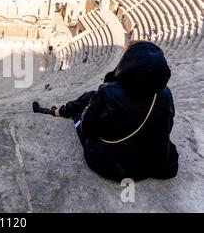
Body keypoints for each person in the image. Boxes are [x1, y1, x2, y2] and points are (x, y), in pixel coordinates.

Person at [32, 41, 179, 182]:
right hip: (148, 165)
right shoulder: (165, 94)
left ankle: (57, 112)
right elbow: (165, 128)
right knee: (92, 96)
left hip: (111, 165)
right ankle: (60, 111)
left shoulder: (108, 92)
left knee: (86, 105)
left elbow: (89, 129)